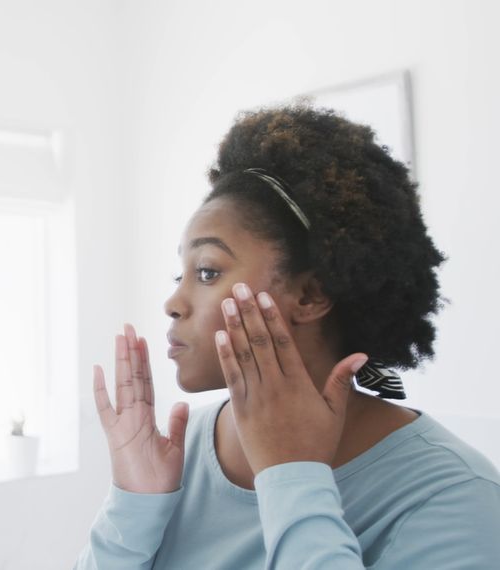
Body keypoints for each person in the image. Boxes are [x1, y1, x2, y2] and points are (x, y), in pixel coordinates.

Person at [74, 104, 500, 569]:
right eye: (180, 274)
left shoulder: (453, 497)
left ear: (310, 295)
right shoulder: (179, 452)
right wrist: (133, 509)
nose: (173, 303)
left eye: (207, 271)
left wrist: (292, 479)